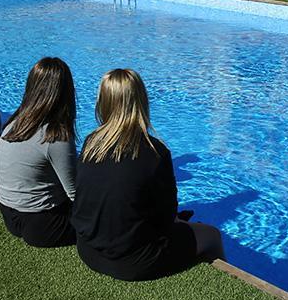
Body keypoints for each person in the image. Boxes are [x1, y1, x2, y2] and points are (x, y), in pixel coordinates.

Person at [70, 68, 223, 280]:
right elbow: (167, 217)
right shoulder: (155, 153)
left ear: (103, 102)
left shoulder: (91, 144)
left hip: (87, 249)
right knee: (212, 235)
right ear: (141, 101)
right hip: (133, 262)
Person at [0, 57, 78, 247]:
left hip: (9, 214)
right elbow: (75, 194)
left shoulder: (14, 124)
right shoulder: (55, 135)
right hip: (45, 225)